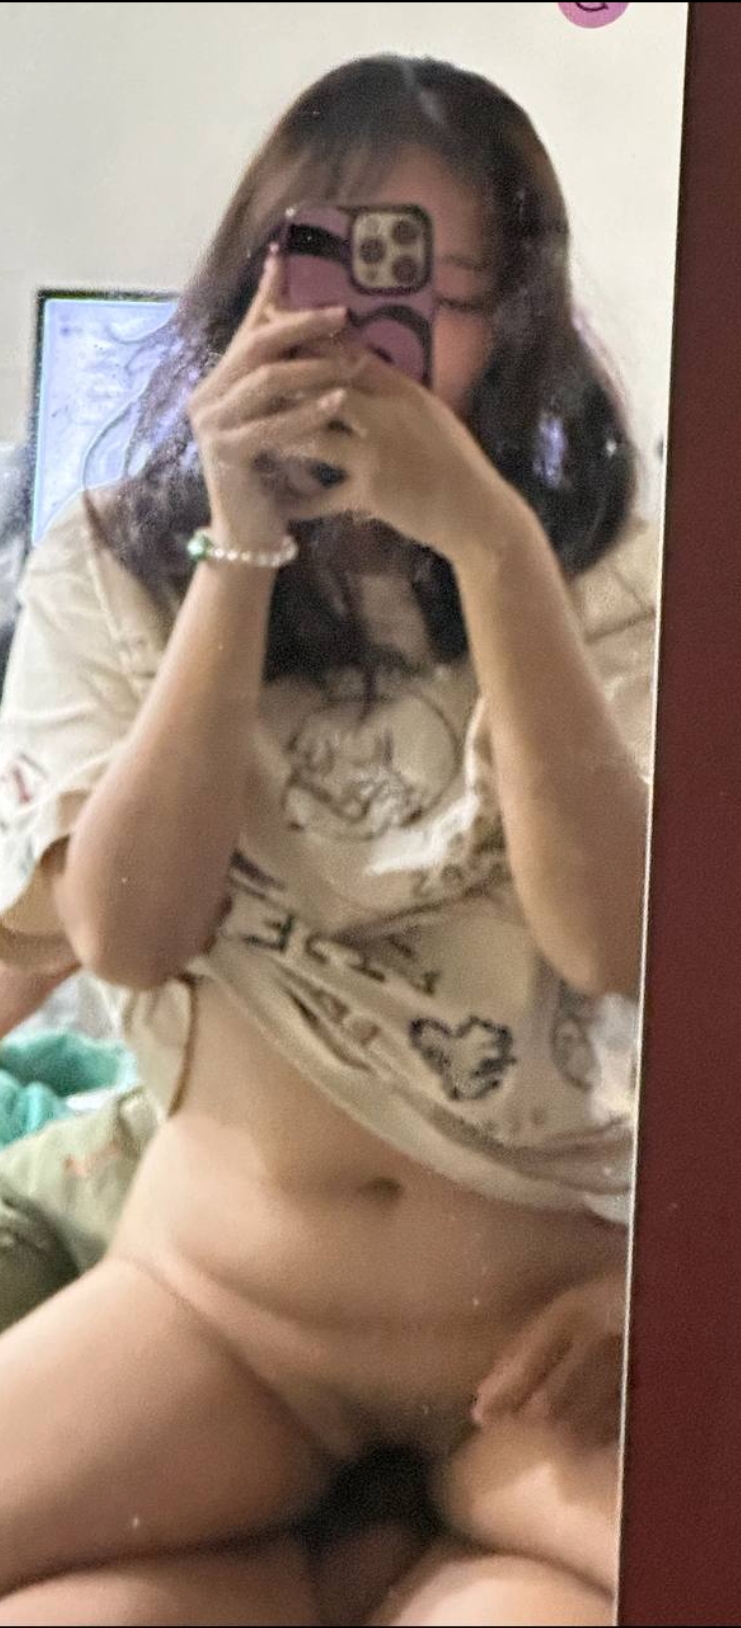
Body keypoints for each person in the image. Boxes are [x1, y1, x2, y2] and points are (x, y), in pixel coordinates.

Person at [0, 54, 657, 1627]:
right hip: (219, 1320)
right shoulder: (108, 557)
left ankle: (380, 1564)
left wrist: (491, 545)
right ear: (251, 284)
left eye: (430, 286)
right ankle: (315, 1565)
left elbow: (615, 938)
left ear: (519, 321)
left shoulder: (621, 567)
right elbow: (127, 936)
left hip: (531, 1355)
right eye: (328, 266)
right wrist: (238, 547)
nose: (371, 331)